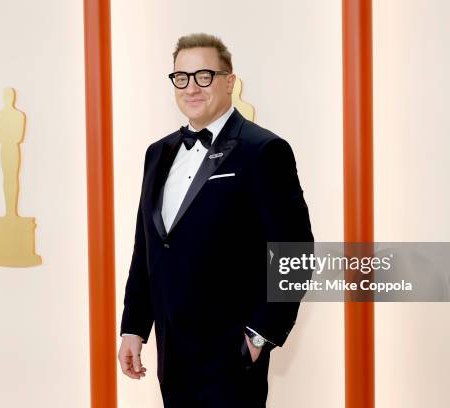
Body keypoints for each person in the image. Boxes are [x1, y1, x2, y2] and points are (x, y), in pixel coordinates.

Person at [118, 33, 313, 408]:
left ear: (229, 81)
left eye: (204, 76)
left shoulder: (264, 150)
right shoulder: (156, 154)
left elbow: (296, 253)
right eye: (181, 77)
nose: (192, 87)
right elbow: (147, 247)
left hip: (231, 352)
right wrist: (134, 327)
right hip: (171, 351)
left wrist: (259, 337)